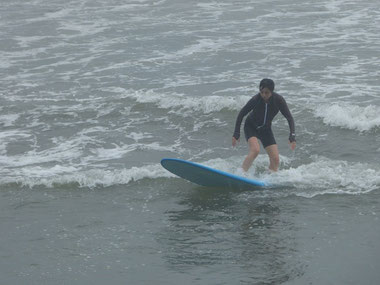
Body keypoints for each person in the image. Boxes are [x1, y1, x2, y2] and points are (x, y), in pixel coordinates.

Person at [232, 78, 296, 172]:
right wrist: (236, 133)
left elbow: (289, 118)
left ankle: (269, 178)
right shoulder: (256, 99)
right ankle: (241, 173)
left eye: (267, 92)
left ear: (272, 91)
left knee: (275, 159)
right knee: (255, 150)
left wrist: (292, 136)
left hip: (266, 129)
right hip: (251, 126)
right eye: (262, 92)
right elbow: (241, 114)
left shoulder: (278, 100)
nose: (264, 95)